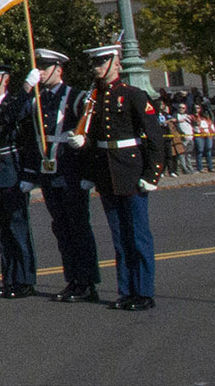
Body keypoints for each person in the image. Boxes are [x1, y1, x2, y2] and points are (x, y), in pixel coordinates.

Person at [83, 42, 163, 310]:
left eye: (101, 62)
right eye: (95, 63)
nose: (97, 67)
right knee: (120, 238)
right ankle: (126, 291)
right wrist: (90, 171)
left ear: (115, 63)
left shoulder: (133, 95)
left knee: (138, 237)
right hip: (107, 175)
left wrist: (152, 175)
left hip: (131, 172)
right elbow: (94, 139)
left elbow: (155, 138)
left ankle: (144, 293)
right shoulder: (94, 98)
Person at [33, 48, 100, 302]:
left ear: (58, 70)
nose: (40, 72)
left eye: (44, 67)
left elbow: (91, 131)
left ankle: (87, 282)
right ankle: (73, 279)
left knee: (78, 228)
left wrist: (88, 172)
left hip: (71, 172)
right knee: (61, 228)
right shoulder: (38, 99)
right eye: (39, 67)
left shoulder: (75, 97)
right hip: (50, 173)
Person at [0, 63, 40, 299]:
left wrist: (29, 175)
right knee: (1, 230)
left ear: (5, 79)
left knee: (17, 228)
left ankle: (25, 279)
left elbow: (12, 121)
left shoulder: (17, 102)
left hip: (11, 170)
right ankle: (9, 278)